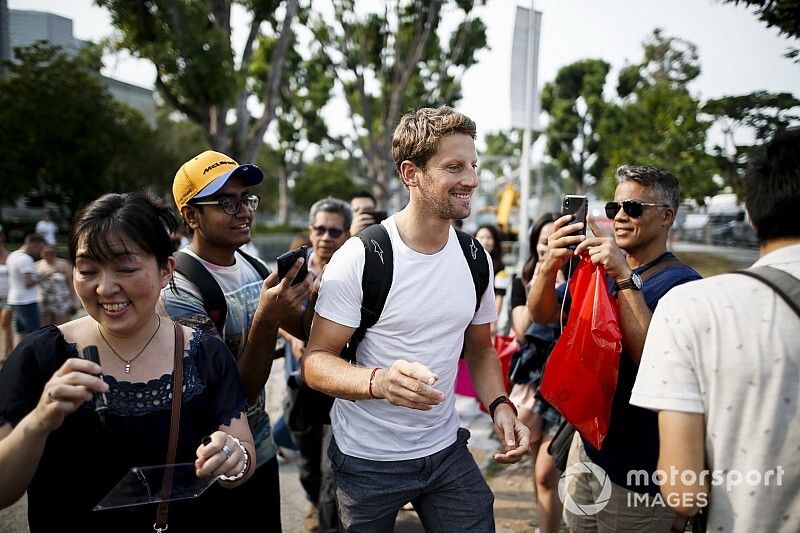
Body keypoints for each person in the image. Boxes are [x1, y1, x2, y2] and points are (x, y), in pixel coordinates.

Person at [303, 105, 530, 532]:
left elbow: (480, 350)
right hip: (365, 458)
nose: (473, 180)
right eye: (454, 167)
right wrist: (378, 382)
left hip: (445, 450)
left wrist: (500, 405)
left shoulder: (474, 256)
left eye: (474, 165)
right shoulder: (361, 257)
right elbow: (316, 361)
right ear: (412, 173)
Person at [0, 192, 255, 531]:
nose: (105, 288)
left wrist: (233, 458)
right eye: (88, 270)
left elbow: (241, 455)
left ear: (166, 270)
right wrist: (39, 421)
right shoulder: (41, 355)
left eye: (126, 268)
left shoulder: (205, 355)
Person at [630, 127, 800, 531]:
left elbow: (683, 492)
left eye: (633, 207)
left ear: (751, 217)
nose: (620, 216)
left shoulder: (693, 305)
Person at [528, 165, 701, 532]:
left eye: (634, 208)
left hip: (640, 473)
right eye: (613, 208)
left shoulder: (683, 285)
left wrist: (624, 277)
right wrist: (549, 264)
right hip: (589, 451)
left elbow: (657, 362)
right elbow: (541, 315)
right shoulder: (599, 267)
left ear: (667, 216)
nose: (620, 217)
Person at [161, 149, 313, 532]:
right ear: (191, 215)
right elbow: (233, 396)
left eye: (246, 199)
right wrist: (267, 317)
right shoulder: (179, 288)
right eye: (226, 202)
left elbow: (306, 330)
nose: (244, 211)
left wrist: (318, 296)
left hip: (260, 451)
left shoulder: (253, 264)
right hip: (212, 464)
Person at [285, 197, 352, 532]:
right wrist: (296, 338)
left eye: (335, 230)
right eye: (320, 229)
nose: (326, 236)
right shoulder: (293, 270)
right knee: (308, 464)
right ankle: (314, 504)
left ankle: (326, 522)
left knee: (330, 470)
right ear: (311, 232)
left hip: (339, 387)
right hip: (301, 385)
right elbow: (274, 314)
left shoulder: (354, 273)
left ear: (347, 234)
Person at [506, 212, 565, 533]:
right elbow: (521, 328)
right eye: (544, 242)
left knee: (546, 471)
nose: (548, 247)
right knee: (533, 462)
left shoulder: (576, 279)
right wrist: (545, 279)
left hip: (562, 389)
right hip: (530, 386)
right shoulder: (523, 279)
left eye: (554, 241)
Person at [7, 234, 45, 342]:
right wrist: (43, 277)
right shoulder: (25, 259)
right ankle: (32, 358)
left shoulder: (13, 255)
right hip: (27, 301)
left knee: (20, 332)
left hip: (15, 299)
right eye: (40, 248)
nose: (40, 252)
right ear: (33, 245)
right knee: (35, 333)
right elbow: (27, 282)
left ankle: (19, 357)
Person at [36, 245, 77, 326]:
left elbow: (71, 282)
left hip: (61, 299)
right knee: (46, 326)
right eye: (45, 253)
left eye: (51, 253)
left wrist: (74, 300)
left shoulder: (63, 264)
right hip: (44, 299)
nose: (48, 255)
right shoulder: (37, 265)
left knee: (63, 325)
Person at [474, 224, 509, 319]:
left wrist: (492, 321)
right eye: (481, 237)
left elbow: (499, 296)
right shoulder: (468, 262)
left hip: (486, 317)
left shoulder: (500, 268)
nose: (485, 241)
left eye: (489, 238)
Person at [0, 225, 12, 362]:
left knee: (5, 323)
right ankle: (7, 350)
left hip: (8, 295)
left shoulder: (10, 256)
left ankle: (5, 353)